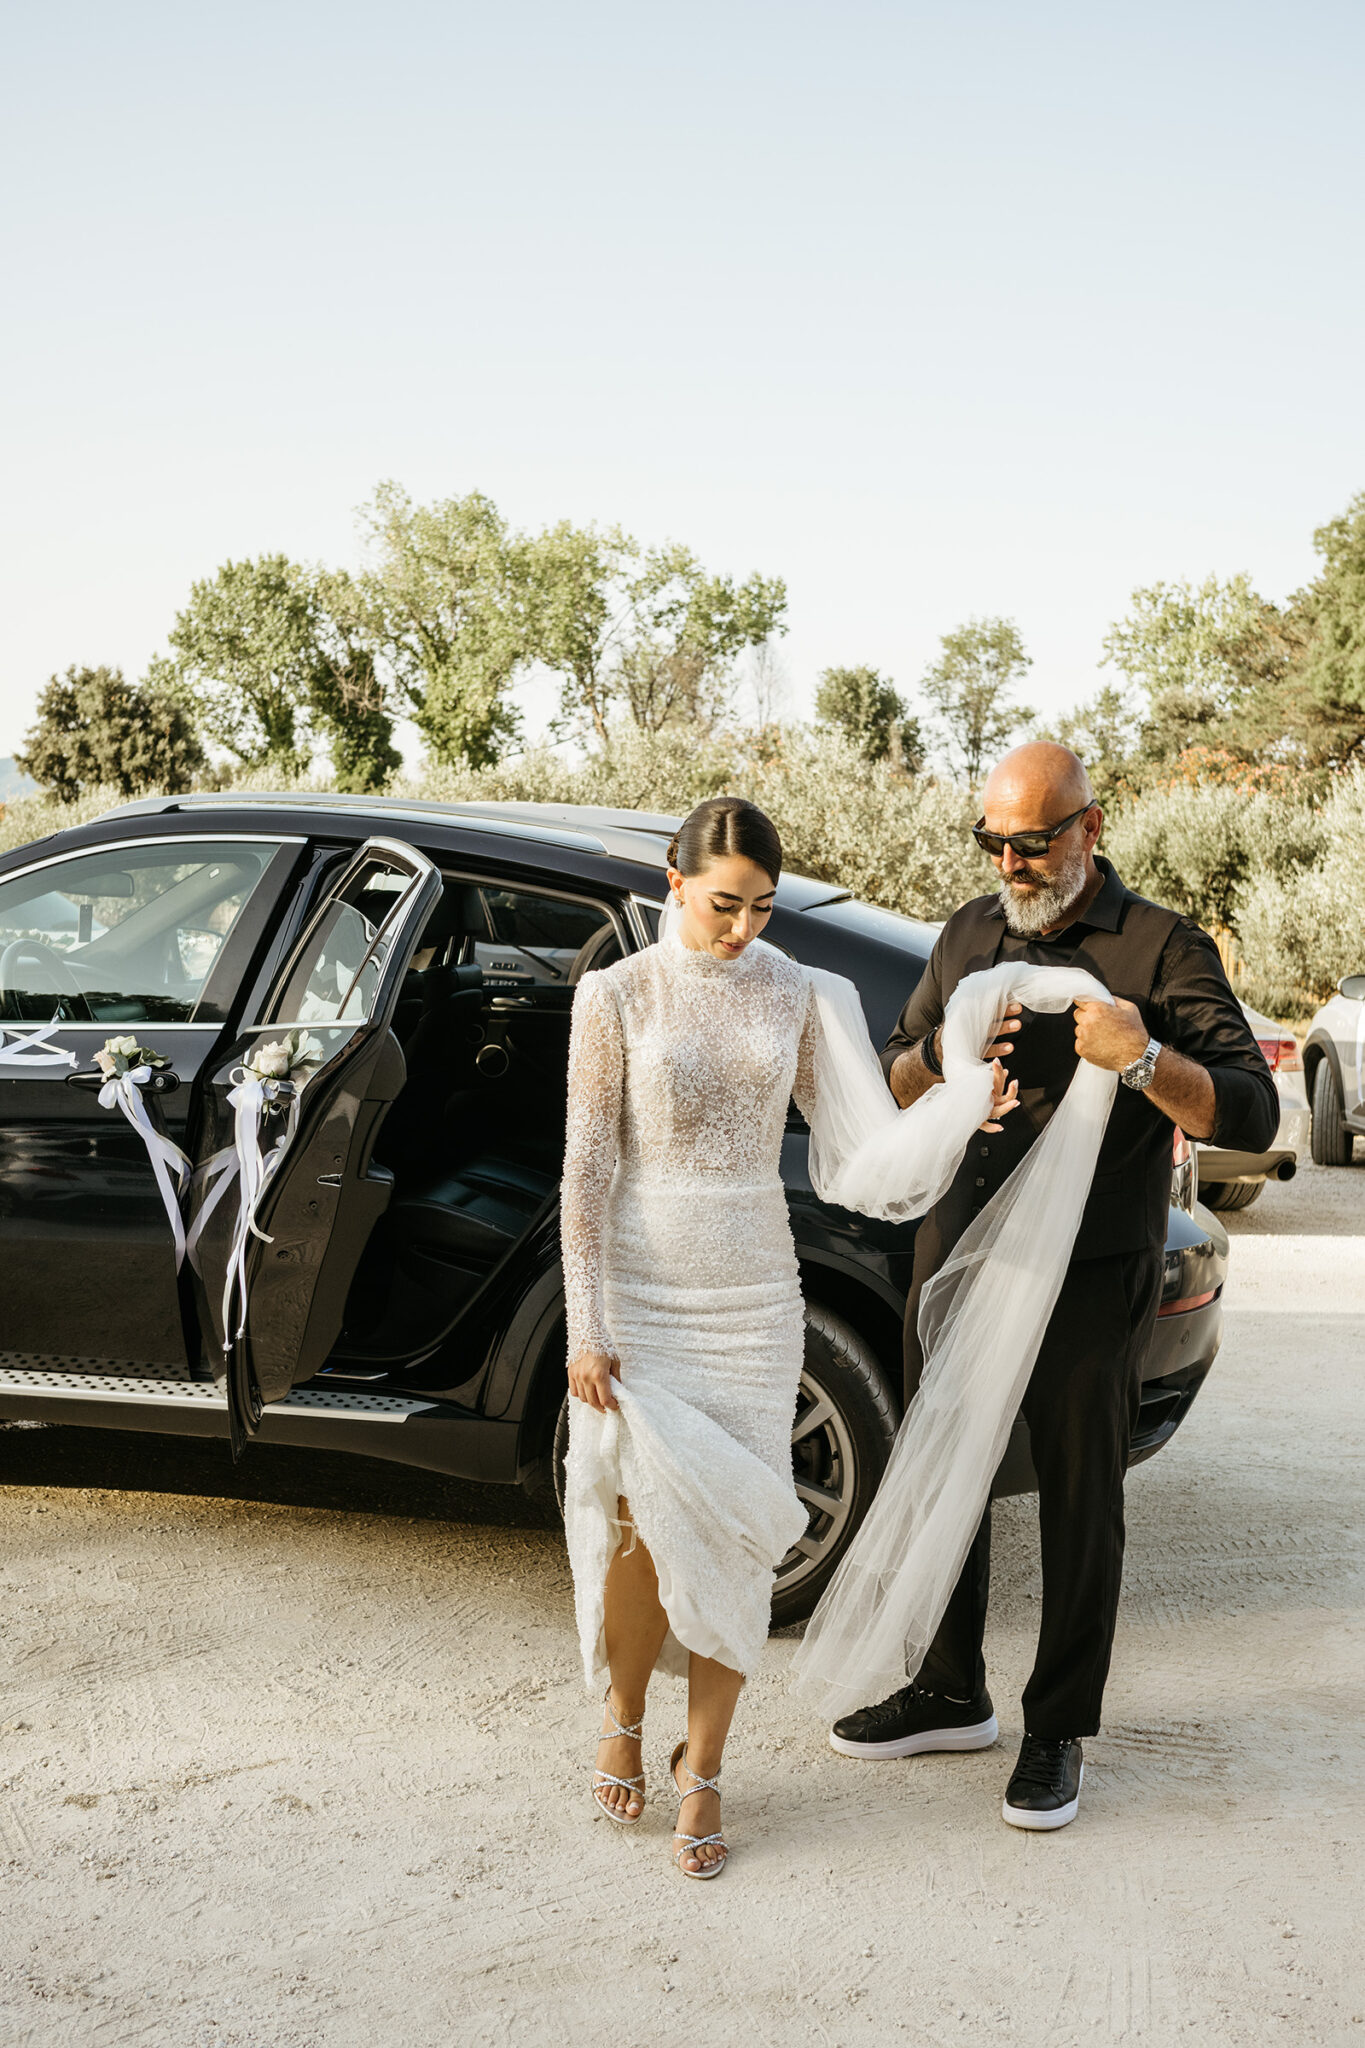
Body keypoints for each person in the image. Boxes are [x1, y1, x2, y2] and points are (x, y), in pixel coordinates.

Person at [559, 796, 1018, 1878]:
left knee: (737, 1541)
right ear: (676, 883)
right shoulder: (615, 995)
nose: (742, 928)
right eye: (724, 904)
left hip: (756, 1300)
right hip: (645, 1294)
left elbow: (863, 1141)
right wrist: (587, 1322)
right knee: (641, 1533)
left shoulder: (798, 990)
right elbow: (584, 1169)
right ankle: (624, 1714)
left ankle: (706, 1764)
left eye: (762, 907)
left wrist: (959, 1105)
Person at [825, 742, 1279, 1830]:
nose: (1009, 863)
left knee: (1081, 1495)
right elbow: (895, 1070)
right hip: (959, 1247)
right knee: (941, 1466)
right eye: (992, 840)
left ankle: (1057, 1727)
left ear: (1089, 827)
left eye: (1031, 842)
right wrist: (941, 1054)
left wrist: (1141, 1057)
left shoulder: (1161, 946)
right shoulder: (967, 934)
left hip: (1090, 1262)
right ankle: (948, 1689)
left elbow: (1251, 1111)